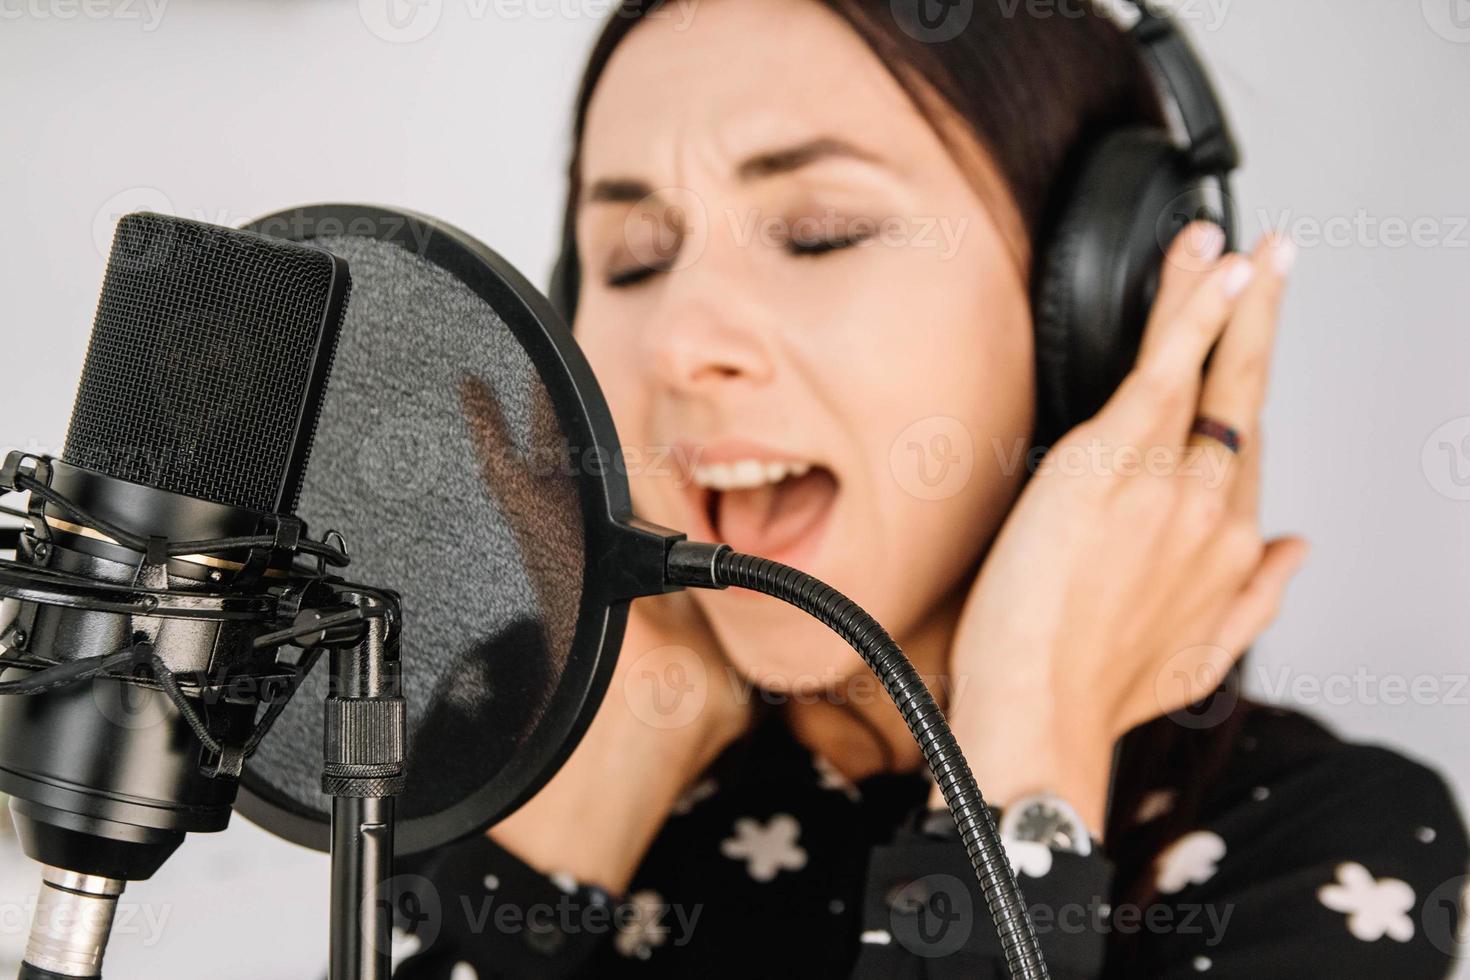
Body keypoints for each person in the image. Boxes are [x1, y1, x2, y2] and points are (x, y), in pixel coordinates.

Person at [396, 0, 1469, 975]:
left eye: (821, 232)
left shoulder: (1321, 841)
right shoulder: (515, 727)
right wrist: (596, 775)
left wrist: (1025, 760)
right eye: (632, 260)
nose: (678, 343)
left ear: (1098, 299)